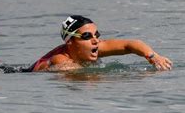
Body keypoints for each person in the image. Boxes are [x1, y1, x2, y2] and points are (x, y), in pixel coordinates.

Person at [30, 15, 173, 72]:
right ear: (70, 42)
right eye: (87, 36)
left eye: (96, 34)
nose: (95, 40)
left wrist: (153, 56)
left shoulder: (93, 47)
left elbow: (131, 44)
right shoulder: (60, 60)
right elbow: (83, 76)